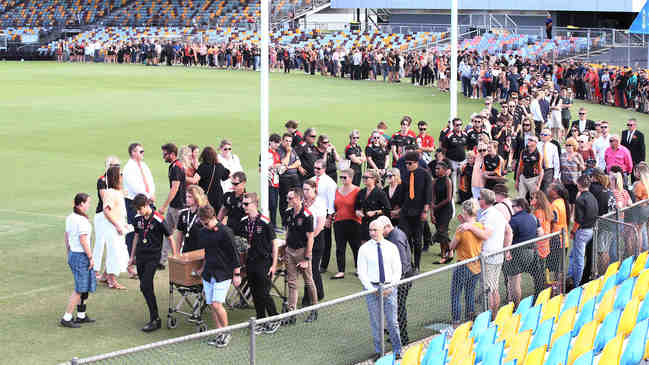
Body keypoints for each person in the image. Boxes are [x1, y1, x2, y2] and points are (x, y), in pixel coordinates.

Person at [128, 194, 177, 332]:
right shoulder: (138, 218)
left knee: (145, 285)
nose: (138, 212)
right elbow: (137, 237)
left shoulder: (158, 219)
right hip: (140, 256)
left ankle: (155, 319)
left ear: (145, 205)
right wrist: (132, 257)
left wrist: (175, 256)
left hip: (153, 257)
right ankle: (154, 318)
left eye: (139, 209)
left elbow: (170, 237)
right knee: (145, 288)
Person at [357, 219, 403, 362]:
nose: (372, 233)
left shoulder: (391, 247)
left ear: (382, 230)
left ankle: (397, 350)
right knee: (376, 322)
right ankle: (380, 351)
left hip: (389, 287)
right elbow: (361, 272)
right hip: (372, 288)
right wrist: (372, 289)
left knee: (392, 321)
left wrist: (391, 286)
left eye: (375, 230)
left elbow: (398, 270)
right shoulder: (364, 249)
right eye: (370, 230)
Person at [196, 205, 241, 347]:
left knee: (217, 304)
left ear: (213, 217)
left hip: (223, 273)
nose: (205, 226)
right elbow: (207, 252)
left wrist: (237, 274)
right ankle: (219, 333)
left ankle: (227, 333)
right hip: (209, 273)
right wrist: (202, 268)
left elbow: (234, 254)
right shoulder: (203, 231)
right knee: (211, 305)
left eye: (206, 223)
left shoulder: (225, 232)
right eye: (203, 223)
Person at [236, 193, 280, 334]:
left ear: (255, 204)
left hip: (264, 261)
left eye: (246, 204)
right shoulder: (244, 221)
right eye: (243, 204)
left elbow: (274, 244)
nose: (244, 206)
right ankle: (261, 319)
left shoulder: (265, 222)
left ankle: (275, 318)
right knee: (255, 293)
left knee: (264, 292)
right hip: (250, 262)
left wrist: (274, 265)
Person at [458, 189, 506, 315]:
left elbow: (485, 235)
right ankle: (494, 317)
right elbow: (508, 231)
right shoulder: (497, 213)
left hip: (489, 256)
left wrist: (469, 226)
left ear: (484, 201)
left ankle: (490, 318)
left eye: (479, 198)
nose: (477, 200)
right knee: (494, 288)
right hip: (497, 254)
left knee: (489, 289)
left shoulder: (489, 216)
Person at [61, 193, 97, 328]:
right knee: (80, 288)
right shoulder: (81, 221)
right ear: (81, 203)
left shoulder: (70, 218)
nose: (89, 205)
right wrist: (90, 257)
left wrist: (68, 250)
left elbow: (67, 235)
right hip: (81, 256)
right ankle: (67, 317)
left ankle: (81, 315)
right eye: (88, 202)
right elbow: (83, 240)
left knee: (85, 286)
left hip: (74, 254)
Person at [376, 215, 413, 344]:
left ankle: (402, 337)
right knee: (396, 307)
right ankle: (398, 335)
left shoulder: (395, 238)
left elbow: (403, 263)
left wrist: (395, 284)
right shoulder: (394, 235)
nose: (377, 233)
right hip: (402, 277)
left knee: (399, 308)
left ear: (387, 226)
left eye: (379, 229)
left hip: (402, 280)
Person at [284, 188, 318, 321]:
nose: (288, 200)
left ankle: (314, 309)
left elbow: (310, 237)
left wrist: (307, 258)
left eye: (290, 198)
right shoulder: (288, 212)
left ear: (298, 199)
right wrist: (285, 248)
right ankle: (292, 313)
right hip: (290, 251)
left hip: (302, 251)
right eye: (287, 198)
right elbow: (288, 231)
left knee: (308, 281)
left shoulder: (307, 215)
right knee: (292, 282)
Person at [504, 198, 545, 305]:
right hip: (532, 252)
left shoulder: (513, 220)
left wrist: (507, 250)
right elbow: (541, 234)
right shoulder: (533, 217)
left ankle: (516, 307)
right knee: (537, 276)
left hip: (517, 253)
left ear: (519, 207)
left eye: (513, 206)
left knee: (515, 281)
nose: (511, 209)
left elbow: (508, 237)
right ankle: (538, 300)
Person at [449, 199, 483, 326]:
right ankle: (470, 320)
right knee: (470, 293)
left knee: (456, 295)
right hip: (477, 266)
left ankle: (456, 323)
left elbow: (452, 246)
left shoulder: (461, 229)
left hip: (463, 265)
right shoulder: (479, 226)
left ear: (464, 211)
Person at [96, 166, 130, 289]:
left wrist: (123, 223)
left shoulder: (116, 192)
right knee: (115, 252)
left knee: (117, 251)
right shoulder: (110, 193)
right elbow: (107, 210)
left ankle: (106, 276)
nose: (122, 177)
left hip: (117, 225)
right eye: (120, 175)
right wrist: (117, 225)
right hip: (113, 228)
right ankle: (112, 280)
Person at [123, 143, 156, 268]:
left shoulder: (143, 165)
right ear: (133, 152)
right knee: (135, 229)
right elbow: (134, 186)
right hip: (135, 202)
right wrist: (148, 196)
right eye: (140, 151)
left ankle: (146, 254)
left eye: (143, 151)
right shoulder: (128, 168)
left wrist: (151, 194)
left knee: (150, 226)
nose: (142, 154)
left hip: (147, 201)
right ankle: (132, 258)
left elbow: (150, 181)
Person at [399, 152, 432, 270]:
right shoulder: (405, 175)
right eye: (406, 163)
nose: (407, 165)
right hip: (406, 211)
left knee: (418, 240)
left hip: (418, 211)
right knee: (405, 238)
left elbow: (428, 193)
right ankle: (408, 262)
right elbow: (402, 192)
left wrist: (425, 210)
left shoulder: (425, 174)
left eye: (409, 163)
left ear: (416, 163)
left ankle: (417, 264)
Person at [92, 156, 120, 282]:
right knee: (100, 242)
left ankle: (107, 272)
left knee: (111, 243)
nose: (117, 168)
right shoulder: (102, 180)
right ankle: (94, 270)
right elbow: (105, 200)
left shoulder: (117, 179)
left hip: (113, 215)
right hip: (102, 215)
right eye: (115, 165)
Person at [567, 175, 598, 289]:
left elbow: (578, 221)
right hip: (591, 230)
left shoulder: (580, 199)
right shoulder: (592, 197)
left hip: (582, 232)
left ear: (579, 185)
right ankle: (570, 276)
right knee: (573, 255)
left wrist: (573, 232)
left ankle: (576, 285)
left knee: (579, 260)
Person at [159, 143, 186, 269]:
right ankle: (162, 260)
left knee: (180, 234)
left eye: (165, 154)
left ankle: (181, 260)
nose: (163, 156)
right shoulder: (174, 166)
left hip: (177, 207)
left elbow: (174, 189)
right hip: (174, 206)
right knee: (167, 232)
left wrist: (164, 206)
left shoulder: (176, 167)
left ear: (172, 154)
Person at [332, 169, 361, 279]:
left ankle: (359, 269)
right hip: (339, 222)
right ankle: (341, 271)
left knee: (356, 247)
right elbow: (334, 206)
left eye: (345, 177)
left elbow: (360, 206)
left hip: (354, 222)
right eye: (341, 177)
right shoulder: (337, 190)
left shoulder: (357, 190)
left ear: (351, 178)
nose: (342, 179)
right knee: (340, 247)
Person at [302, 179, 326, 305]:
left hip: (316, 239)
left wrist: (311, 238)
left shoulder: (320, 203)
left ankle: (309, 297)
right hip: (304, 239)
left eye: (307, 189)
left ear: (314, 189)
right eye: (304, 189)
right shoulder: (302, 202)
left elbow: (320, 224)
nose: (305, 192)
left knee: (312, 268)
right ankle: (319, 292)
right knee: (311, 269)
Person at [312, 159, 337, 274]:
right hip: (312, 213)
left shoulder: (329, 182)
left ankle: (324, 264)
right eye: (315, 168)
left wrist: (329, 217)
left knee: (325, 240)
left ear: (324, 169)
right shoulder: (311, 180)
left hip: (324, 213)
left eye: (318, 168)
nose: (316, 170)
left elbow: (331, 201)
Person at [355, 169, 391, 244]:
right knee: (364, 245)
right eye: (363, 177)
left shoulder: (380, 193)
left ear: (374, 179)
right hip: (364, 223)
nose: (364, 179)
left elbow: (387, 209)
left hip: (376, 224)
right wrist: (357, 212)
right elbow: (356, 206)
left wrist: (375, 212)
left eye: (366, 177)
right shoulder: (361, 192)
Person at [194, 146, 230, 213]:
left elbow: (195, 180)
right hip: (218, 196)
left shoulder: (203, 167)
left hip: (206, 197)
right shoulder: (219, 166)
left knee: (206, 216)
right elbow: (227, 175)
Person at [277, 133, 302, 228]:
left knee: (299, 197)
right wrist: (288, 153)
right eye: (286, 141)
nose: (288, 143)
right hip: (285, 178)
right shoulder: (280, 150)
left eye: (290, 141)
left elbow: (298, 162)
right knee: (285, 200)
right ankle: (284, 223)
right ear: (282, 141)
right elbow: (283, 164)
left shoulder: (292, 149)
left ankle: (298, 218)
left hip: (294, 177)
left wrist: (289, 167)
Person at [431, 161, 453, 264]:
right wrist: (432, 213)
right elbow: (433, 198)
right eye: (435, 169)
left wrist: (436, 206)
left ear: (444, 170)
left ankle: (450, 250)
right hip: (437, 210)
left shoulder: (448, 181)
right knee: (441, 234)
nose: (436, 170)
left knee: (441, 231)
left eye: (438, 169)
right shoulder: (434, 181)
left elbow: (448, 198)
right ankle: (444, 255)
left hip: (446, 210)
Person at [175, 185, 208, 253]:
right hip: (187, 250)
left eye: (190, 197)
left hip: (201, 251)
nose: (186, 199)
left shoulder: (204, 214)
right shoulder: (183, 213)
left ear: (197, 197)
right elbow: (179, 236)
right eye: (186, 196)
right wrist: (177, 253)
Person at [560, 138, 585, 205]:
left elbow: (583, 168)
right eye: (567, 145)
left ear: (574, 146)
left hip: (574, 182)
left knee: (573, 201)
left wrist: (577, 162)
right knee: (566, 200)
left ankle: (573, 214)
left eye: (570, 145)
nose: (568, 147)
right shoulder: (562, 156)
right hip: (565, 181)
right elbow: (560, 168)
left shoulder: (578, 155)